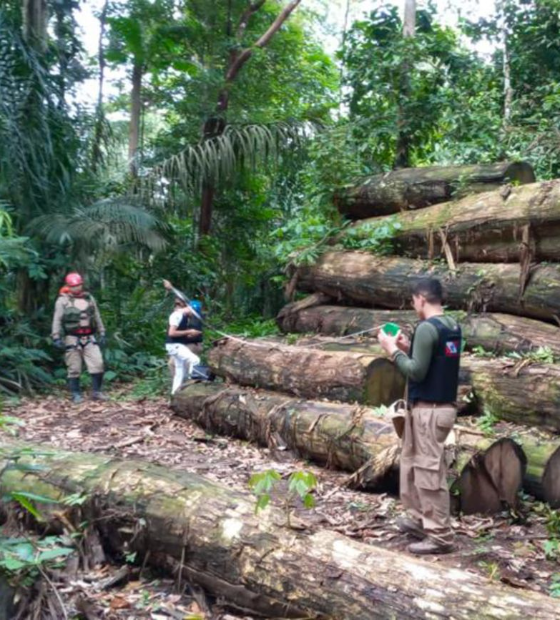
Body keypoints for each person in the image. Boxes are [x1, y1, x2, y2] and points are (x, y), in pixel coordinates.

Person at [377, 277, 461, 555]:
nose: (414, 306)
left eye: (414, 301)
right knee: (412, 465)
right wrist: (406, 347)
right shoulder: (451, 325)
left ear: (421, 299)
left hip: (431, 411)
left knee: (428, 472)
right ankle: (418, 520)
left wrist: (391, 352)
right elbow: (432, 361)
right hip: (433, 409)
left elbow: (416, 372)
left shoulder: (427, 327)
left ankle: (439, 536)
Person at [51, 272, 107, 403]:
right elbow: (57, 319)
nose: (76, 288)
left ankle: (97, 392)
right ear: (68, 286)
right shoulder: (62, 301)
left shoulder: (89, 298)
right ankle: (76, 394)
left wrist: (102, 332)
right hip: (72, 338)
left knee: (98, 364)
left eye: (78, 285)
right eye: (74, 286)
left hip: (89, 336)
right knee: (74, 368)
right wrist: (56, 337)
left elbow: (97, 316)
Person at [165, 296, 202, 395]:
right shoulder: (177, 315)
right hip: (174, 346)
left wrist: (190, 334)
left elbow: (181, 333)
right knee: (195, 360)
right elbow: (171, 333)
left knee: (179, 372)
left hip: (177, 345)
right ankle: (191, 385)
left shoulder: (184, 317)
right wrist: (189, 331)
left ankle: (174, 394)